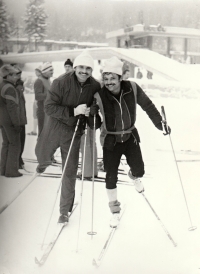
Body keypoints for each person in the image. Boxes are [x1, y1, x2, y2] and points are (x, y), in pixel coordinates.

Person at [94, 56, 170, 228]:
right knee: (110, 177)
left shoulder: (133, 88)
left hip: (129, 137)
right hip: (110, 140)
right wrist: (92, 116)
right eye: (106, 79)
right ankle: (114, 212)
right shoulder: (99, 95)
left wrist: (160, 125)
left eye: (113, 78)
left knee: (139, 170)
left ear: (121, 77)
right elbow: (95, 120)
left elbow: (148, 106)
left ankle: (134, 176)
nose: (109, 82)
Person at [35, 50, 101, 223]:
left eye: (88, 68)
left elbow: (95, 106)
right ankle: (42, 164)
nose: (84, 72)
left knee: (69, 171)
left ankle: (64, 211)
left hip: (73, 132)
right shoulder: (60, 82)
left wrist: (90, 111)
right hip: (55, 128)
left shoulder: (94, 85)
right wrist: (73, 111)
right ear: (75, 67)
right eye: (81, 67)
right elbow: (49, 107)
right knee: (42, 154)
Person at [0, 65, 22, 177]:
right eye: (14, 75)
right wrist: (16, 123)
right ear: (8, 76)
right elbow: (12, 107)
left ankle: (3, 169)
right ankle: (11, 171)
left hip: (2, 120)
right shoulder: (10, 88)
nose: (16, 77)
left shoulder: (2, 85)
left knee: (6, 144)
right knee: (15, 144)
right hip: (10, 121)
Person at [13, 66, 27, 169]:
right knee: (17, 140)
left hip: (21, 118)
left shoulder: (19, 85)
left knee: (22, 140)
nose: (19, 75)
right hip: (17, 118)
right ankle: (16, 160)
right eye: (16, 74)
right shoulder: (13, 87)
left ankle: (19, 158)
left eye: (19, 73)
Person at [34, 62, 54, 136]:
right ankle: (40, 147)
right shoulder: (39, 81)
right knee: (42, 134)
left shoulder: (48, 80)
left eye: (53, 70)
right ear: (45, 71)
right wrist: (50, 94)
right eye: (51, 70)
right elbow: (38, 96)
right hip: (42, 111)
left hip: (48, 111)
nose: (52, 72)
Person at [27, 66, 42, 136]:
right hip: (39, 101)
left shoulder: (38, 80)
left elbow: (37, 93)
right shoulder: (44, 80)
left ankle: (34, 131)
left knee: (35, 116)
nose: (35, 73)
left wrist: (36, 101)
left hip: (37, 101)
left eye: (36, 71)